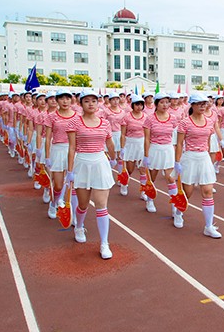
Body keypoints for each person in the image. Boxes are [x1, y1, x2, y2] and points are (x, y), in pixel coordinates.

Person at [66, 89, 118, 259]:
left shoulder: (104, 123)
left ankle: (104, 243)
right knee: (83, 204)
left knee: (102, 205)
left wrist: (113, 159)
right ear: (81, 104)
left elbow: (109, 143)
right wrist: (70, 170)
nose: (91, 104)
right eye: (87, 101)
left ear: (98, 103)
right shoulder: (75, 122)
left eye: (94, 101)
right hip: (82, 162)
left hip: (100, 163)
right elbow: (72, 147)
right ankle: (79, 226)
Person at [175, 93, 222, 237]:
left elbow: (208, 139)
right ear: (192, 105)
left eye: (204, 103)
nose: (203, 106)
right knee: (187, 192)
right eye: (199, 104)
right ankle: (178, 212)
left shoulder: (209, 121)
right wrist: (177, 162)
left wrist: (208, 154)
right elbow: (180, 143)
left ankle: (208, 226)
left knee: (208, 191)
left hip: (204, 158)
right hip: (189, 157)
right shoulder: (185, 122)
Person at [43, 89, 78, 220]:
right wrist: (47, 156)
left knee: (73, 185)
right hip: (57, 149)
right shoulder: (51, 116)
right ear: (57, 100)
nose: (65, 101)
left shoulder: (77, 116)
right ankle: (54, 203)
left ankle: (72, 213)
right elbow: (47, 138)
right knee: (58, 185)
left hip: (73, 150)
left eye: (68, 98)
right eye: (62, 98)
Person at [143, 92, 177, 214]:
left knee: (171, 178)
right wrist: (146, 155)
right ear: (156, 104)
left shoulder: (173, 118)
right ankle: (150, 199)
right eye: (162, 102)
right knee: (152, 177)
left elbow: (175, 135)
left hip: (167, 149)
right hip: (155, 149)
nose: (165, 105)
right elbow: (147, 138)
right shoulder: (149, 119)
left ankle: (175, 205)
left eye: (167, 102)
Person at [119, 95, 147, 198]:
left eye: (141, 104)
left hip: (142, 143)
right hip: (130, 143)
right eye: (137, 104)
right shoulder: (126, 116)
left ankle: (143, 191)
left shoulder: (145, 117)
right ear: (133, 105)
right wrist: (122, 148)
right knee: (130, 169)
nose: (139, 107)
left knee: (143, 169)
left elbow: (148, 133)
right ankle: (124, 184)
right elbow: (122, 134)